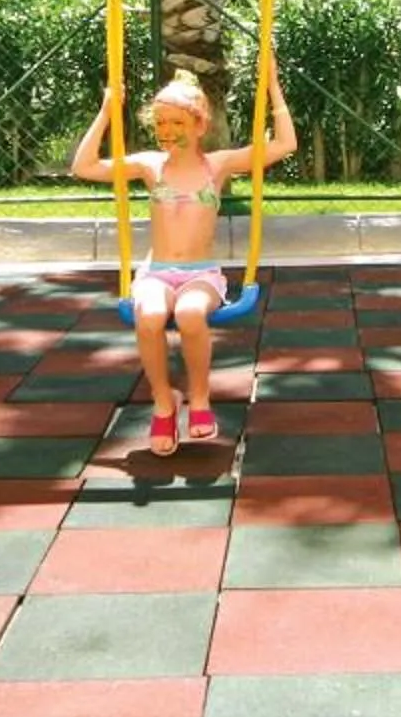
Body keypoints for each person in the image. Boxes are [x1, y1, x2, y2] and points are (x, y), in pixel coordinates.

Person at [69, 65, 296, 455]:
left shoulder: (218, 165)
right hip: (156, 273)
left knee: (191, 314)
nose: (168, 130)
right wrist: (107, 112)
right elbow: (83, 167)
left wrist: (273, 86)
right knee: (150, 314)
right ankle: (163, 401)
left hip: (200, 275)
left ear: (199, 124)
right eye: (160, 122)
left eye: (177, 121)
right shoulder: (149, 166)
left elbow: (283, 145)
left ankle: (201, 398)